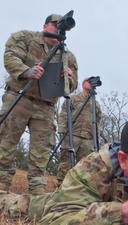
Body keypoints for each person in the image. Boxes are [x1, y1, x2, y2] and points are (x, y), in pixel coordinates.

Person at [0, 112, 128, 224]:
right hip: (54, 206)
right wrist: (125, 210)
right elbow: (56, 220)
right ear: (123, 160)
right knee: (12, 204)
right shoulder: (93, 169)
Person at [0, 13, 78, 194]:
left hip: (46, 107)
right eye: (54, 24)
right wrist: (26, 71)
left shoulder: (67, 56)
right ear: (45, 26)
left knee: (41, 152)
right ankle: (2, 187)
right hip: (19, 97)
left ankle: (37, 193)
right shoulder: (24, 37)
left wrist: (68, 79)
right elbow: (10, 57)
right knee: (6, 144)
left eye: (61, 26)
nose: (58, 29)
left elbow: (73, 85)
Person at [56, 77, 102, 186]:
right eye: (89, 81)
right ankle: (61, 186)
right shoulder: (73, 98)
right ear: (83, 84)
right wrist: (62, 130)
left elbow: (98, 121)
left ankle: (78, 188)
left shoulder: (96, 104)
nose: (91, 83)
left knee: (84, 166)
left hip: (88, 139)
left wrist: (96, 138)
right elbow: (63, 114)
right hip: (72, 135)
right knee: (66, 163)